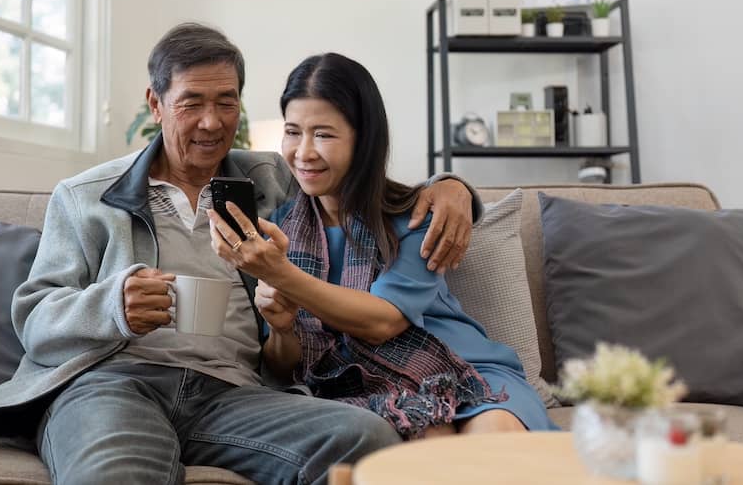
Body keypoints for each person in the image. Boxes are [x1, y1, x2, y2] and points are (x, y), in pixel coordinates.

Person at [0, 25, 483, 485]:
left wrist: (453, 186)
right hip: (115, 382)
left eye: (226, 102)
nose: (212, 121)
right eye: (191, 102)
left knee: (368, 440)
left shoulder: (272, 179)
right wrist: (111, 307)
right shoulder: (85, 197)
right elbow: (34, 319)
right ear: (155, 103)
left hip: (234, 393)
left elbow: (358, 178)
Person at [210, 52, 556, 439]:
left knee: (496, 436)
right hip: (361, 385)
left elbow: (382, 322)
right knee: (426, 445)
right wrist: (282, 329)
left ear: (364, 140)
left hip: (461, 367)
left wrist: (281, 274)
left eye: (323, 134)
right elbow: (282, 365)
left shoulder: (413, 215)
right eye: (293, 131)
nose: (303, 152)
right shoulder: (280, 229)